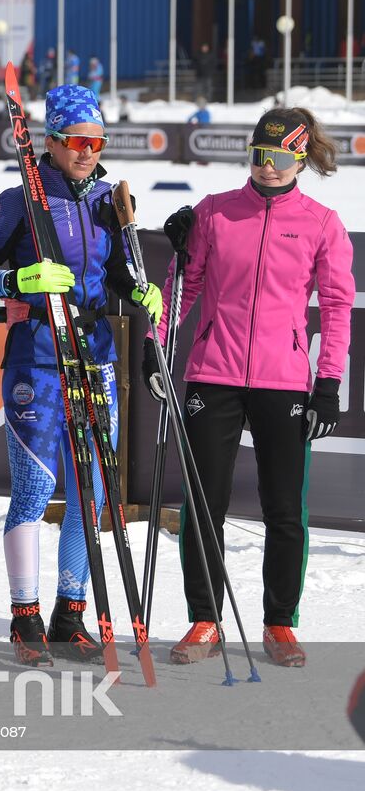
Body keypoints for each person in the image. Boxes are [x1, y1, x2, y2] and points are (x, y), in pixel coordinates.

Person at [149, 108, 354, 667]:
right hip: (212, 373)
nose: (269, 167)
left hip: (283, 381)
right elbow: (185, 285)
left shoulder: (321, 222)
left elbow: (337, 308)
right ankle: (204, 619)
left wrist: (328, 383)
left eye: (282, 157)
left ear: (301, 160)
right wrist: (156, 344)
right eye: (261, 155)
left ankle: (280, 623)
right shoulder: (215, 211)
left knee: (284, 508)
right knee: (203, 503)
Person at [0, 84, 162, 667]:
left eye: (97, 142)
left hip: (94, 354)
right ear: (53, 141)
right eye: (77, 141)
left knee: (93, 492)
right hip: (36, 355)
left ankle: (70, 615)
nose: (88, 152)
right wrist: (17, 282)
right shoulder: (20, 200)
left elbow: (117, 271)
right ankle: (24, 617)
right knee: (34, 491)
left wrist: (139, 289)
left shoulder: (108, 200)